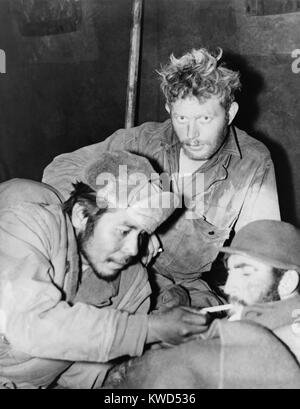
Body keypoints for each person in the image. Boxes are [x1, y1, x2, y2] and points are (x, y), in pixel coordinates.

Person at [42, 47, 280, 310]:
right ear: (168, 109)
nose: (192, 133)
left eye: (204, 118)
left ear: (230, 113)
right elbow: (60, 169)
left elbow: (263, 249)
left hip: (186, 288)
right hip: (120, 273)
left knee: (206, 336)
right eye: (181, 118)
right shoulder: (142, 140)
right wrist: (138, 224)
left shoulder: (252, 162)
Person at [0, 151, 210, 389]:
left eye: (141, 234)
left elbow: (82, 371)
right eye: (124, 230)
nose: (133, 249)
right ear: (81, 214)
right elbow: (30, 325)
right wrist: (150, 329)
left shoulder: (133, 284)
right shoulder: (28, 226)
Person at [103, 220, 300, 389]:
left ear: (287, 282)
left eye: (246, 272)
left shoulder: (287, 338)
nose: (228, 287)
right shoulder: (250, 322)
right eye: (230, 273)